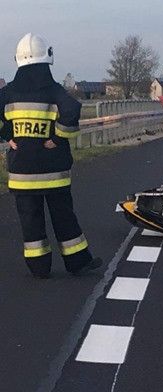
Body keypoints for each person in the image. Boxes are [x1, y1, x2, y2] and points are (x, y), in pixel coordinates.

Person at [0, 33, 102, 279]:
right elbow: (72, 109)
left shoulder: (9, 93)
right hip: (53, 173)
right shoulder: (52, 90)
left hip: (22, 173)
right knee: (64, 217)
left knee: (30, 220)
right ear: (47, 59)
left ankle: (39, 268)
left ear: (18, 59)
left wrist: (6, 136)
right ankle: (77, 262)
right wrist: (56, 139)